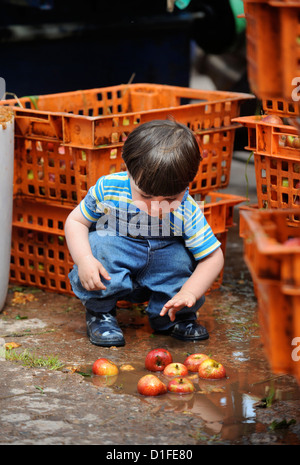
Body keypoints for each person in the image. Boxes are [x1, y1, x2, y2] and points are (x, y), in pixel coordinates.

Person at [65, 119, 224, 347]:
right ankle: (100, 313)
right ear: (128, 170)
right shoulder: (108, 188)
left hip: (162, 262)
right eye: (146, 197)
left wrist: (190, 291)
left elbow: (213, 256)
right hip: (117, 258)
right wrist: (84, 259)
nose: (157, 207)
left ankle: (173, 316)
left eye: (170, 199)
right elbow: (76, 221)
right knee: (100, 244)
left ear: (189, 183)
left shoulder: (188, 208)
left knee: (182, 259)